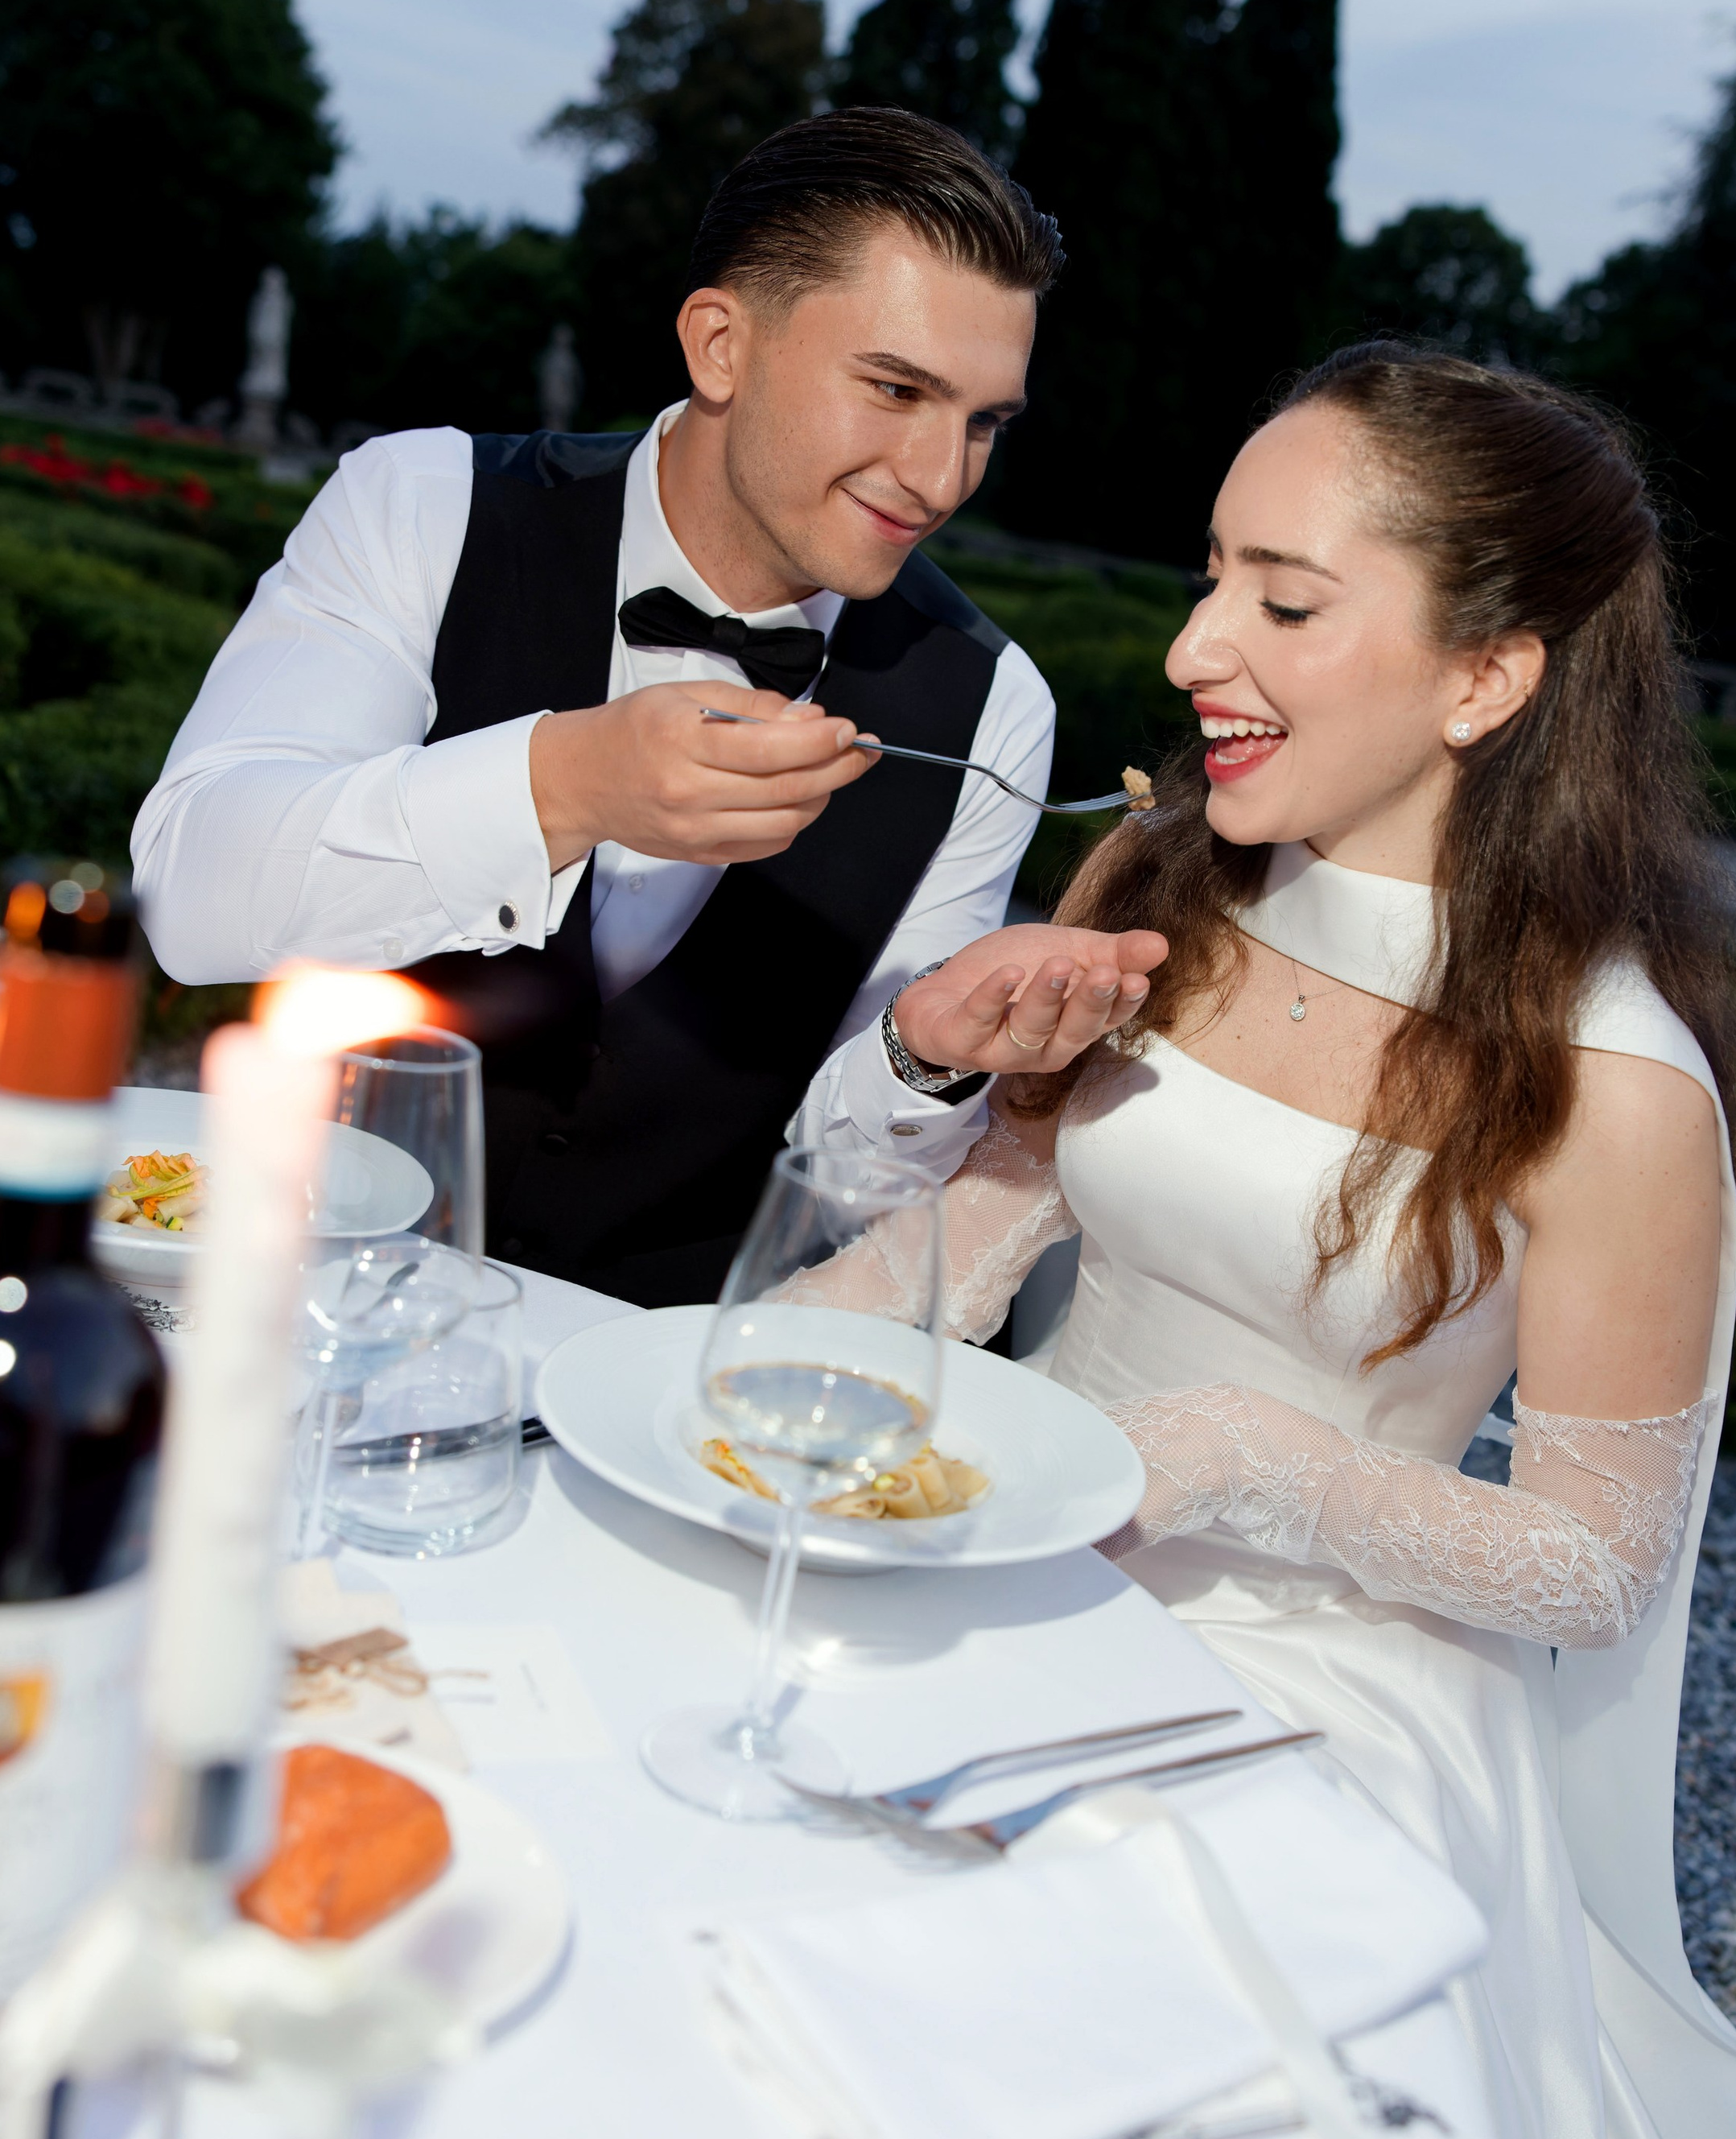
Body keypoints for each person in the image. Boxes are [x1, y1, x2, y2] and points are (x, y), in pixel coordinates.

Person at [896, 345, 1736, 2139]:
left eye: (1283, 600)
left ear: (1489, 678)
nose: (1194, 646)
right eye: (1211, 575)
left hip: (1326, 1678)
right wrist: (769, 1354)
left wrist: (1249, 1465)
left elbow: (1594, 1560)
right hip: (1004, 1539)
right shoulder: (1158, 876)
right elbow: (974, 1241)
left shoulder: (1615, 1087)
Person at [133, 111, 1164, 1303]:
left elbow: (848, 1181)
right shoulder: (420, 504)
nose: (942, 479)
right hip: (300, 1286)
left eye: (984, 423)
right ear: (720, 346)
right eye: (895, 389)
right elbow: (188, 901)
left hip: (642, 1372)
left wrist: (920, 1055)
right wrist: (562, 786)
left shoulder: (993, 705)